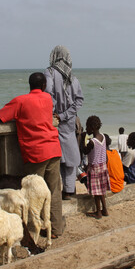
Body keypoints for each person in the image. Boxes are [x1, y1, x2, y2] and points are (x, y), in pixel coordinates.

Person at [0, 72, 64, 237]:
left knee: (32, 195)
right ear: (44, 86)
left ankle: (34, 231)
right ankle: (55, 229)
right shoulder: (48, 99)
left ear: (29, 85)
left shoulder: (20, 101)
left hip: (36, 153)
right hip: (53, 149)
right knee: (53, 191)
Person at [45, 45, 84, 200]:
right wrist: (66, 114)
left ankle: (59, 191)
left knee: (57, 157)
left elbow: (48, 94)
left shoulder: (49, 72)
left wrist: (56, 114)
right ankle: (69, 190)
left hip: (55, 121)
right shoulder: (73, 78)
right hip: (69, 122)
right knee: (70, 156)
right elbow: (79, 100)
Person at [81, 116, 110, 219]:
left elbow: (85, 151)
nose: (86, 129)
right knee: (101, 190)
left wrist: (82, 139)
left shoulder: (92, 142)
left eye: (87, 127)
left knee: (97, 193)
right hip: (103, 167)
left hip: (95, 168)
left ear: (92, 127)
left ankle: (98, 212)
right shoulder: (103, 136)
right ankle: (105, 209)